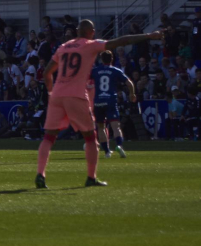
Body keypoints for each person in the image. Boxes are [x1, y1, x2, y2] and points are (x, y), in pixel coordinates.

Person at [35, 20, 161, 189]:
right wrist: (148, 35)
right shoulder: (91, 45)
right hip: (76, 95)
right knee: (90, 137)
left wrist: (51, 92)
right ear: (92, 32)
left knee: (49, 137)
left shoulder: (63, 46)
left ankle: (40, 174)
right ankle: (91, 178)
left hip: (57, 95)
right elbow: (122, 41)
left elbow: (47, 73)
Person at [91, 50, 136, 159]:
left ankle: (106, 152)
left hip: (98, 101)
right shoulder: (115, 70)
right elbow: (129, 82)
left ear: (101, 59)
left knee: (101, 127)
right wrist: (132, 94)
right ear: (112, 59)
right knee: (116, 126)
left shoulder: (95, 71)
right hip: (111, 100)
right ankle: (119, 146)